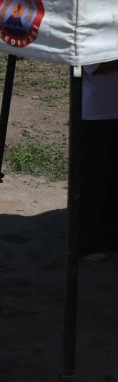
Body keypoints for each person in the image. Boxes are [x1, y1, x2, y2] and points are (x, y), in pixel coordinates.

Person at [79, 60, 118, 259]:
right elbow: (92, 65)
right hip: (97, 113)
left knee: (112, 180)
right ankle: (88, 242)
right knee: (95, 180)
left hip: (111, 108)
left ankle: (110, 238)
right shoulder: (94, 29)